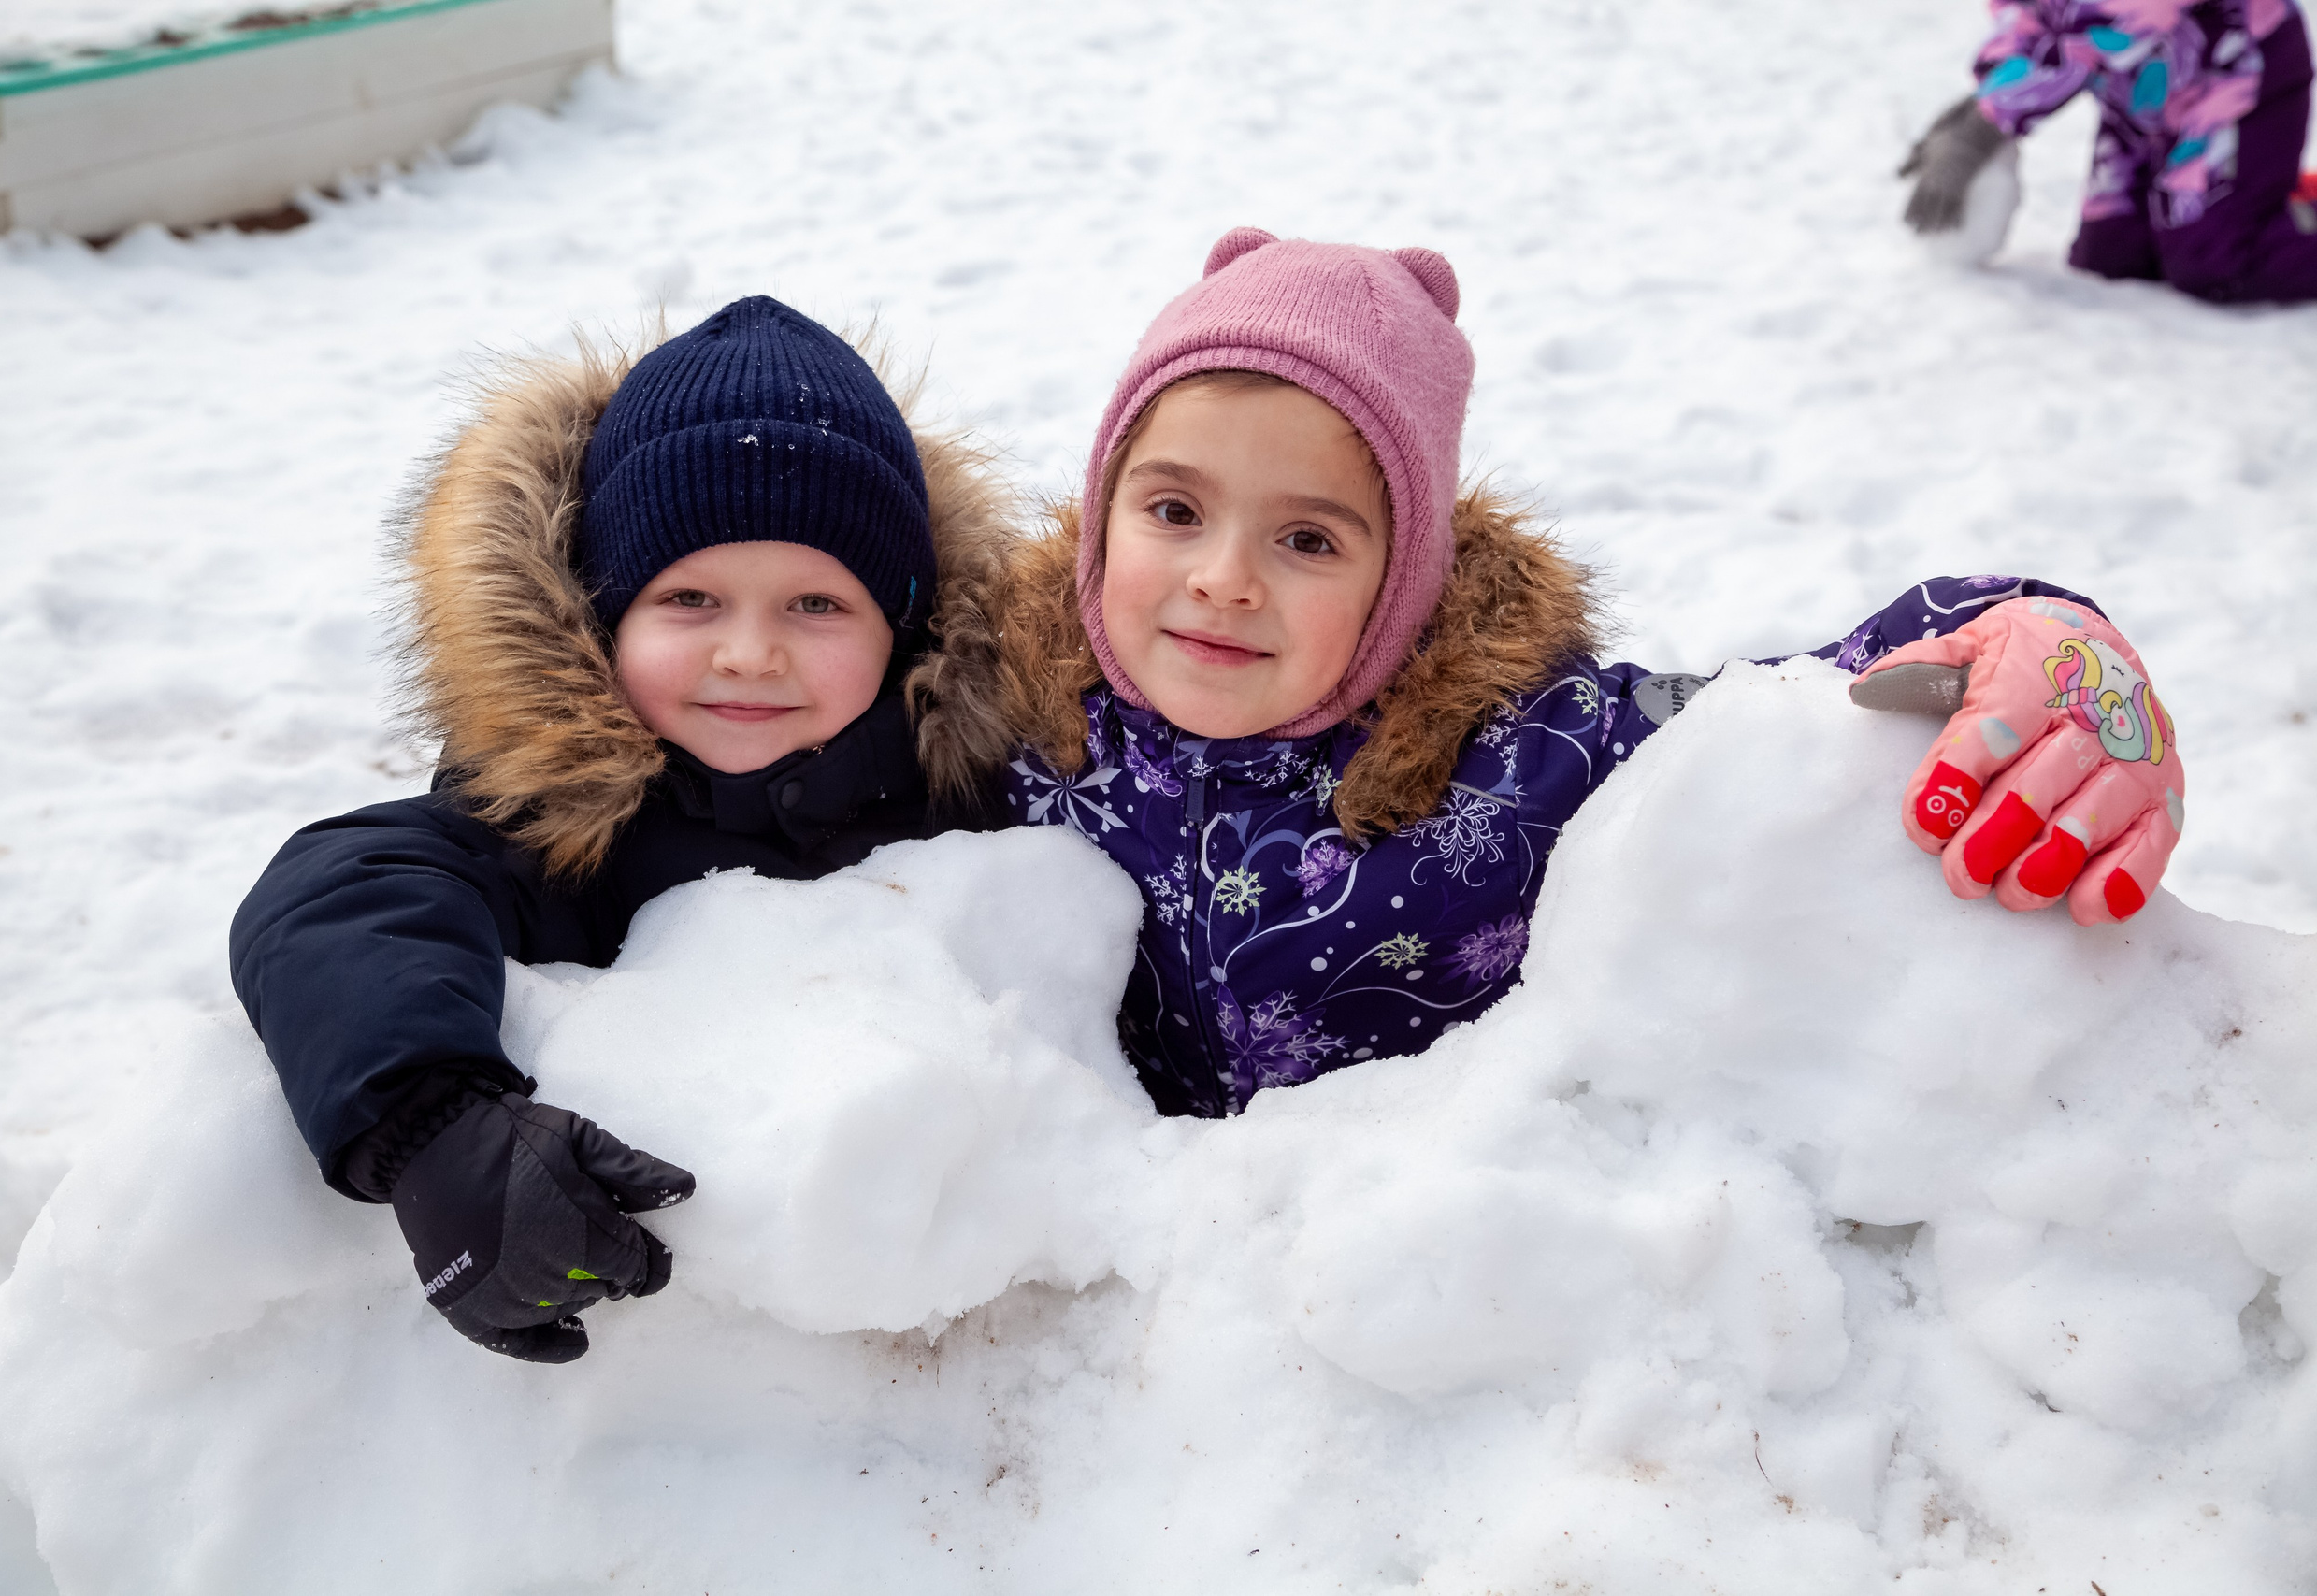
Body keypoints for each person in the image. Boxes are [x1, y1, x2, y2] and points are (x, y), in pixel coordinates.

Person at [910, 229, 2186, 1121]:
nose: (1224, 577)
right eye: (1173, 509)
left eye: (1308, 537)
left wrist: (2047, 643)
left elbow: (1808, 701)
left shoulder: (1536, 752)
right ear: (1100, 513)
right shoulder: (1002, 719)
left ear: (1406, 569)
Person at [231, 297, 1013, 1361]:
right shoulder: (551, 820)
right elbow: (343, 891)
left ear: (906, 625)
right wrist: (432, 1129)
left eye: (817, 606)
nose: (748, 652)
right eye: (689, 598)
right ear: (602, 618)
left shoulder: (974, 799)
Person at [1900, 0, 2317, 302]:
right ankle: (2263, 198)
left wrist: (1986, 124)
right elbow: (2025, 15)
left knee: (2214, 261)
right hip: (2141, 97)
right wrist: (1985, 98)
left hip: (2236, 83)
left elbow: (2113, 23)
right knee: (2112, 258)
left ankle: (2254, 202)